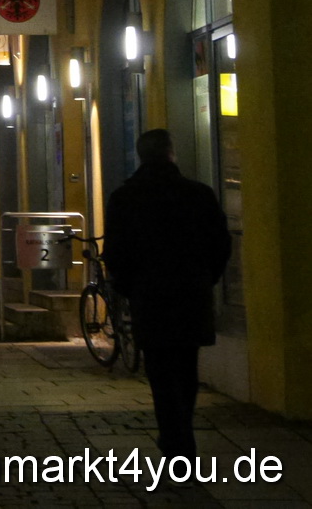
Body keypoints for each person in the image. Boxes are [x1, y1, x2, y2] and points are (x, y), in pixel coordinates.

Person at [105, 129, 231, 460]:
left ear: (141, 156)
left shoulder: (124, 198)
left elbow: (115, 253)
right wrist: (206, 278)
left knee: (160, 372)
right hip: (191, 293)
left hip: (150, 297)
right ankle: (182, 434)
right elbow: (221, 243)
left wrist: (129, 287)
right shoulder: (199, 194)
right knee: (187, 368)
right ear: (171, 153)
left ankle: (174, 439)